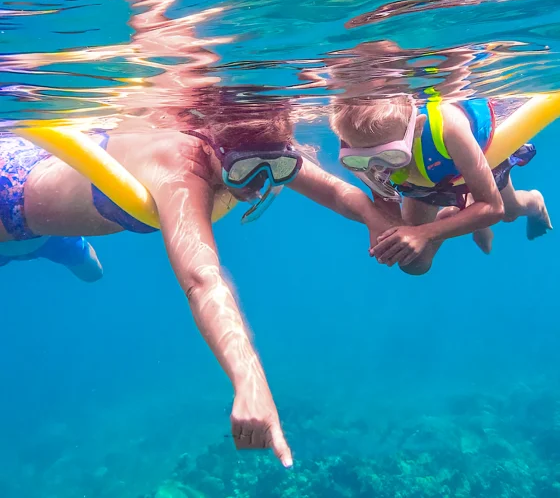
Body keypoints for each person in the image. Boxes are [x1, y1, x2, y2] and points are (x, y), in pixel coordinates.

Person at [0, 95, 393, 467]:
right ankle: (51, 244)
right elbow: (203, 281)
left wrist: (382, 223)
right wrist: (249, 380)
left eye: (276, 170)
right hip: (10, 204)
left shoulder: (261, 146)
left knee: (89, 270)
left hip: (52, 194)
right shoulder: (180, 170)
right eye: (244, 171)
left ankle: (58, 244)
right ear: (214, 148)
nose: (258, 186)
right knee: (52, 256)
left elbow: (340, 192)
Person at [330, 93, 552, 275]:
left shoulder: (449, 128)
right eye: (360, 159)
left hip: (472, 161)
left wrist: (425, 233)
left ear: (417, 128)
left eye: (391, 156)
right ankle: (462, 214)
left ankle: (534, 202)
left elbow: (494, 208)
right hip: (424, 180)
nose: (378, 168)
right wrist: (385, 224)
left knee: (509, 213)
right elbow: (383, 192)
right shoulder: (360, 138)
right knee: (414, 264)